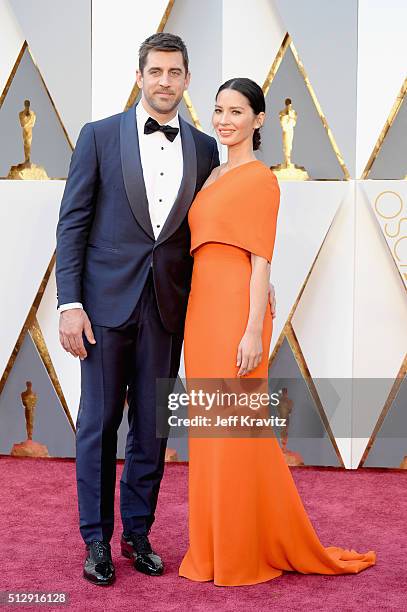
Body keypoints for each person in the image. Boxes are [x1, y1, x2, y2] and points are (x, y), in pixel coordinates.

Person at [56, 31, 277, 587]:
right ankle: (95, 542)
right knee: (98, 426)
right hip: (103, 308)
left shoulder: (206, 148)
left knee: (151, 432)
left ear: (186, 79)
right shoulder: (99, 136)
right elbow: (73, 222)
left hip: (171, 309)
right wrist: (70, 302)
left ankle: (137, 535)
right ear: (139, 76)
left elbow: (223, 227)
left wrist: (260, 282)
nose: (164, 82)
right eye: (155, 72)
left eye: (174, 73)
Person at [178, 78, 376, 586]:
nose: (224, 120)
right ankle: (213, 547)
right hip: (202, 312)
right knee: (212, 433)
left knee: (238, 435)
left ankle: (241, 552)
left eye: (237, 111)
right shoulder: (211, 174)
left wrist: (251, 333)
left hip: (235, 315)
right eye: (219, 110)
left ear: (259, 119)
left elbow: (261, 258)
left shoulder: (262, 179)